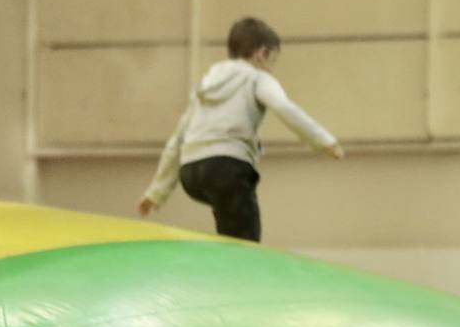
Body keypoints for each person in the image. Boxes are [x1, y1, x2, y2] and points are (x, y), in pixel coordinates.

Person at [137, 16, 343, 242]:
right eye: (273, 60)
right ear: (262, 53)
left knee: (228, 222)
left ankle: (223, 261)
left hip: (191, 173)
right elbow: (284, 107)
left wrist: (156, 193)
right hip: (227, 168)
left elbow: (177, 140)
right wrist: (323, 141)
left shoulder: (205, 86)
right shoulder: (257, 78)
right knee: (247, 239)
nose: (272, 68)